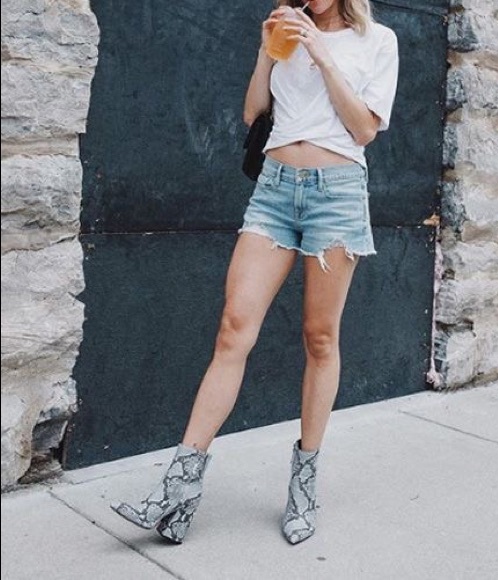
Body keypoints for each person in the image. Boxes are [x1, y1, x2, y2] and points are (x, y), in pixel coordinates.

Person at [110, 0, 399, 546]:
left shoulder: (378, 41)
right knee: (232, 330)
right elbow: (252, 113)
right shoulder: (284, 33)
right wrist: (268, 53)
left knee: (320, 338)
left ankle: (304, 484)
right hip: (274, 191)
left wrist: (320, 53)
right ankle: (177, 489)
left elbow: (363, 129)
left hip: (336, 196)